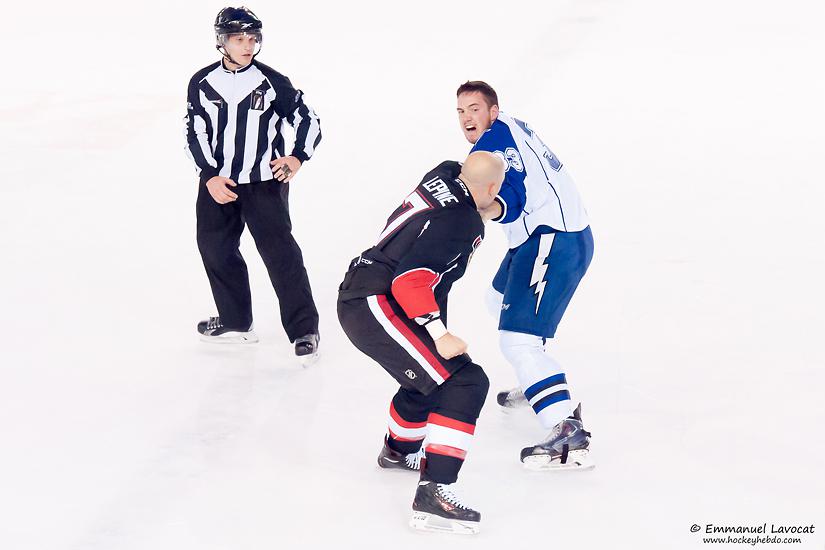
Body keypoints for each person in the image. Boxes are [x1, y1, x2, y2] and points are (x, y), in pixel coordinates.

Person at [337, 152, 504, 534]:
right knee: (463, 381)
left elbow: (470, 187)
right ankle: (434, 494)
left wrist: (488, 207)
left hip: (365, 290)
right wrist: (439, 333)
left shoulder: (445, 172)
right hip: (377, 302)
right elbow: (409, 281)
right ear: (493, 187)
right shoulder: (462, 221)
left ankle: (398, 452)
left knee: (427, 380)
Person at [455, 81, 595, 470]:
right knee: (497, 300)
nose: (467, 118)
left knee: (518, 341)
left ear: (493, 111)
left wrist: (481, 212)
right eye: (461, 111)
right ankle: (539, 382)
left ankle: (566, 430)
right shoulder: (507, 127)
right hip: (545, 238)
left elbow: (511, 194)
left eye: (475, 109)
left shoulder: (494, 147)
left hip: (552, 241)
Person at [184, 7, 321, 362]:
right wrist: (209, 175)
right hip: (219, 184)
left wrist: (297, 157)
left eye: (252, 39)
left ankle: (304, 329)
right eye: (238, 39)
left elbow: (307, 119)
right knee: (215, 248)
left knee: (281, 255)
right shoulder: (202, 82)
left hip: (263, 184)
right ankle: (236, 322)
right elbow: (194, 131)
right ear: (222, 41)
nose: (247, 46)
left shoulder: (272, 81)